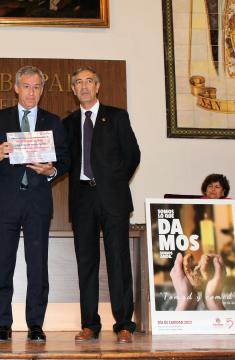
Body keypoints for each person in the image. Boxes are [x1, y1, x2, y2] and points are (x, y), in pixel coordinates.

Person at [0, 65, 69, 343]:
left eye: (37, 87)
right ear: (16, 88)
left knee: (37, 266)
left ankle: (35, 325)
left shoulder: (53, 121)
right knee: (3, 264)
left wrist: (50, 171)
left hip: (38, 203)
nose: (32, 92)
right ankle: (3, 324)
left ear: (42, 90)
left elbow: (64, 159)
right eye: (27, 86)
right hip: (6, 203)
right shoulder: (0, 118)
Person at [63, 66, 140, 343]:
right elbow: (63, 161)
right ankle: (89, 324)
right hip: (82, 199)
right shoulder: (69, 122)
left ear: (98, 86)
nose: (83, 86)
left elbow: (132, 155)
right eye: (78, 82)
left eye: (89, 81)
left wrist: (114, 183)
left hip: (113, 199)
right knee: (87, 263)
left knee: (118, 260)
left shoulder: (117, 117)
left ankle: (123, 324)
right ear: (73, 90)